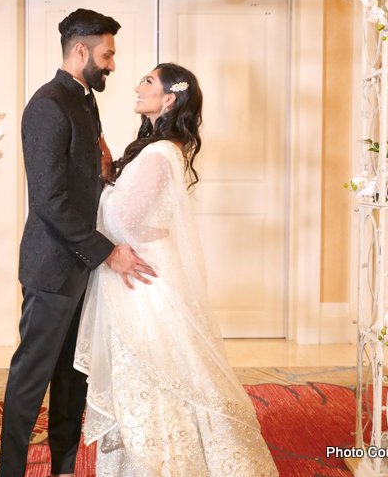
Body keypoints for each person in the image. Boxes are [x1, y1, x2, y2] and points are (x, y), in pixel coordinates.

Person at [74, 63, 279, 476]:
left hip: (138, 271)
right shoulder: (162, 148)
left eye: (147, 82)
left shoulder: (159, 152)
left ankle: (162, 461)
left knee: (150, 366)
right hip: (144, 263)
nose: (136, 86)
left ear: (168, 99)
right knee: (163, 364)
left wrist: (100, 207)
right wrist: (108, 177)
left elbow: (127, 220)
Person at [0, 9, 156, 477]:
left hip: (81, 269)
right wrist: (108, 251)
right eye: (107, 54)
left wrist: (105, 174)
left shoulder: (86, 101)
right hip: (51, 268)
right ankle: (10, 471)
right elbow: (48, 200)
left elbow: (81, 180)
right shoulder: (47, 104)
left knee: (72, 378)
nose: (112, 64)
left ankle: (63, 469)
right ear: (81, 50)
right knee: (32, 377)